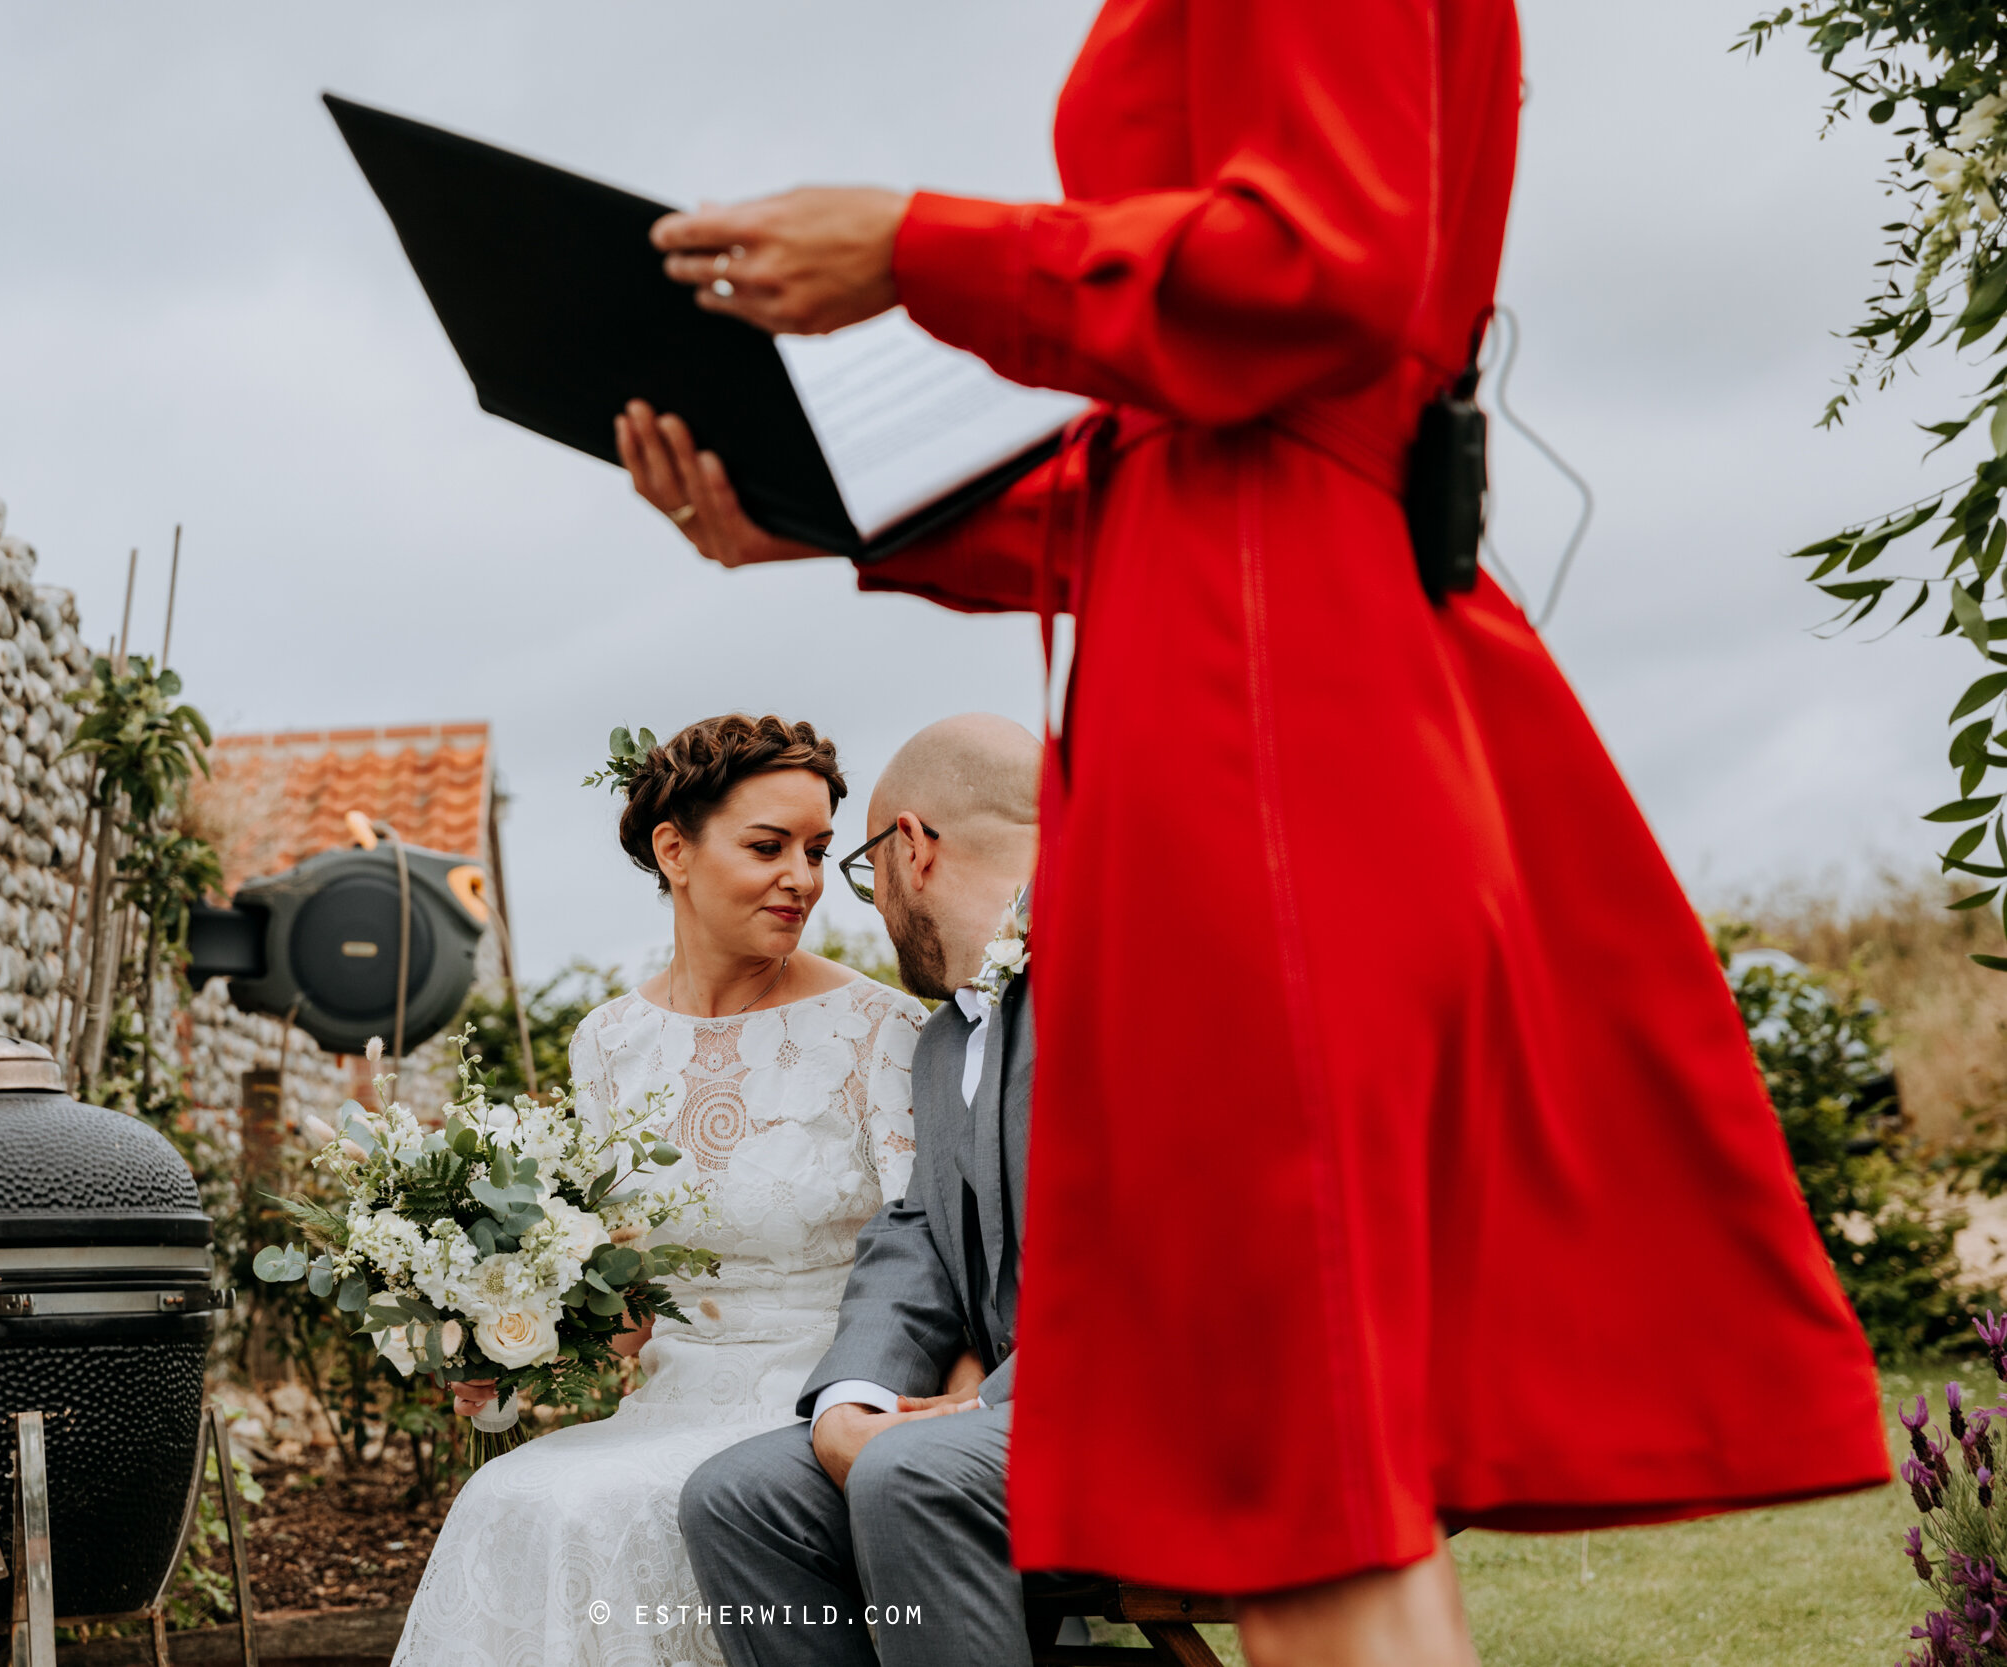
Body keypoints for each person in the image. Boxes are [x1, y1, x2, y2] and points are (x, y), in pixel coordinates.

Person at [611, 2, 1891, 1662]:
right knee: (1305, 1466)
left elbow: (1324, 265)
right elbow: (1162, 455)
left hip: (1273, 713)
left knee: (1290, 1467)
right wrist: (825, 521)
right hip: (1234, 661)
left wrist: (917, 249)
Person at [390, 714, 926, 1667]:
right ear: (674, 849)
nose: (802, 877)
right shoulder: (607, 1041)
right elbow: (617, 1291)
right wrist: (503, 1348)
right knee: (506, 1496)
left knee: (595, 1508)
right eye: (768, 846)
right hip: (669, 1399)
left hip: (817, 1405)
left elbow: (928, 1265)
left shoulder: (876, 1028)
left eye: (816, 849)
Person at [680, 713, 1053, 1667]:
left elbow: (1166, 1244)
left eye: (860, 869)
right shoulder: (946, 1040)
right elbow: (919, 1232)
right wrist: (854, 1395)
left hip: (1156, 1413)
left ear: (913, 848)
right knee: (736, 1495)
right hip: (1005, 1423)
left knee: (908, 1470)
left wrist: (981, 1409)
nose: (870, 908)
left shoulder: (1132, 985)